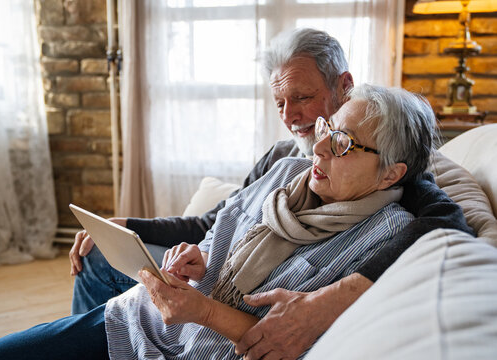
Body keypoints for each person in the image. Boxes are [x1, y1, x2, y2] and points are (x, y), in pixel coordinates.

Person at [69, 28, 473, 359]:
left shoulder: (392, 178)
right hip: (190, 298)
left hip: (215, 327)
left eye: (301, 98)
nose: (290, 116)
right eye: (280, 102)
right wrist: (130, 226)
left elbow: (447, 220)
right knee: (97, 255)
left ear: (344, 87)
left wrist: (332, 299)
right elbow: (213, 222)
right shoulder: (282, 160)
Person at [0, 84, 445, 360]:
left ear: (392, 173)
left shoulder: (389, 239)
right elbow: (216, 234)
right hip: (136, 322)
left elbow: (291, 344)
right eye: (327, 129)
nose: (318, 147)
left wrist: (203, 312)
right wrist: (193, 260)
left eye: (342, 143)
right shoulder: (285, 172)